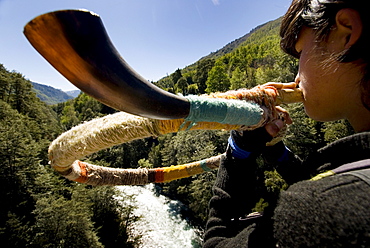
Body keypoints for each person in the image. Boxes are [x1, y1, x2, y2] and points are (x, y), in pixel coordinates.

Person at [203, 0, 370, 247]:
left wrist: (239, 150)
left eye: (301, 52)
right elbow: (323, 179)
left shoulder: (322, 211)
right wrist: (276, 152)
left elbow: (215, 243)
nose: (296, 76)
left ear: (346, 32)